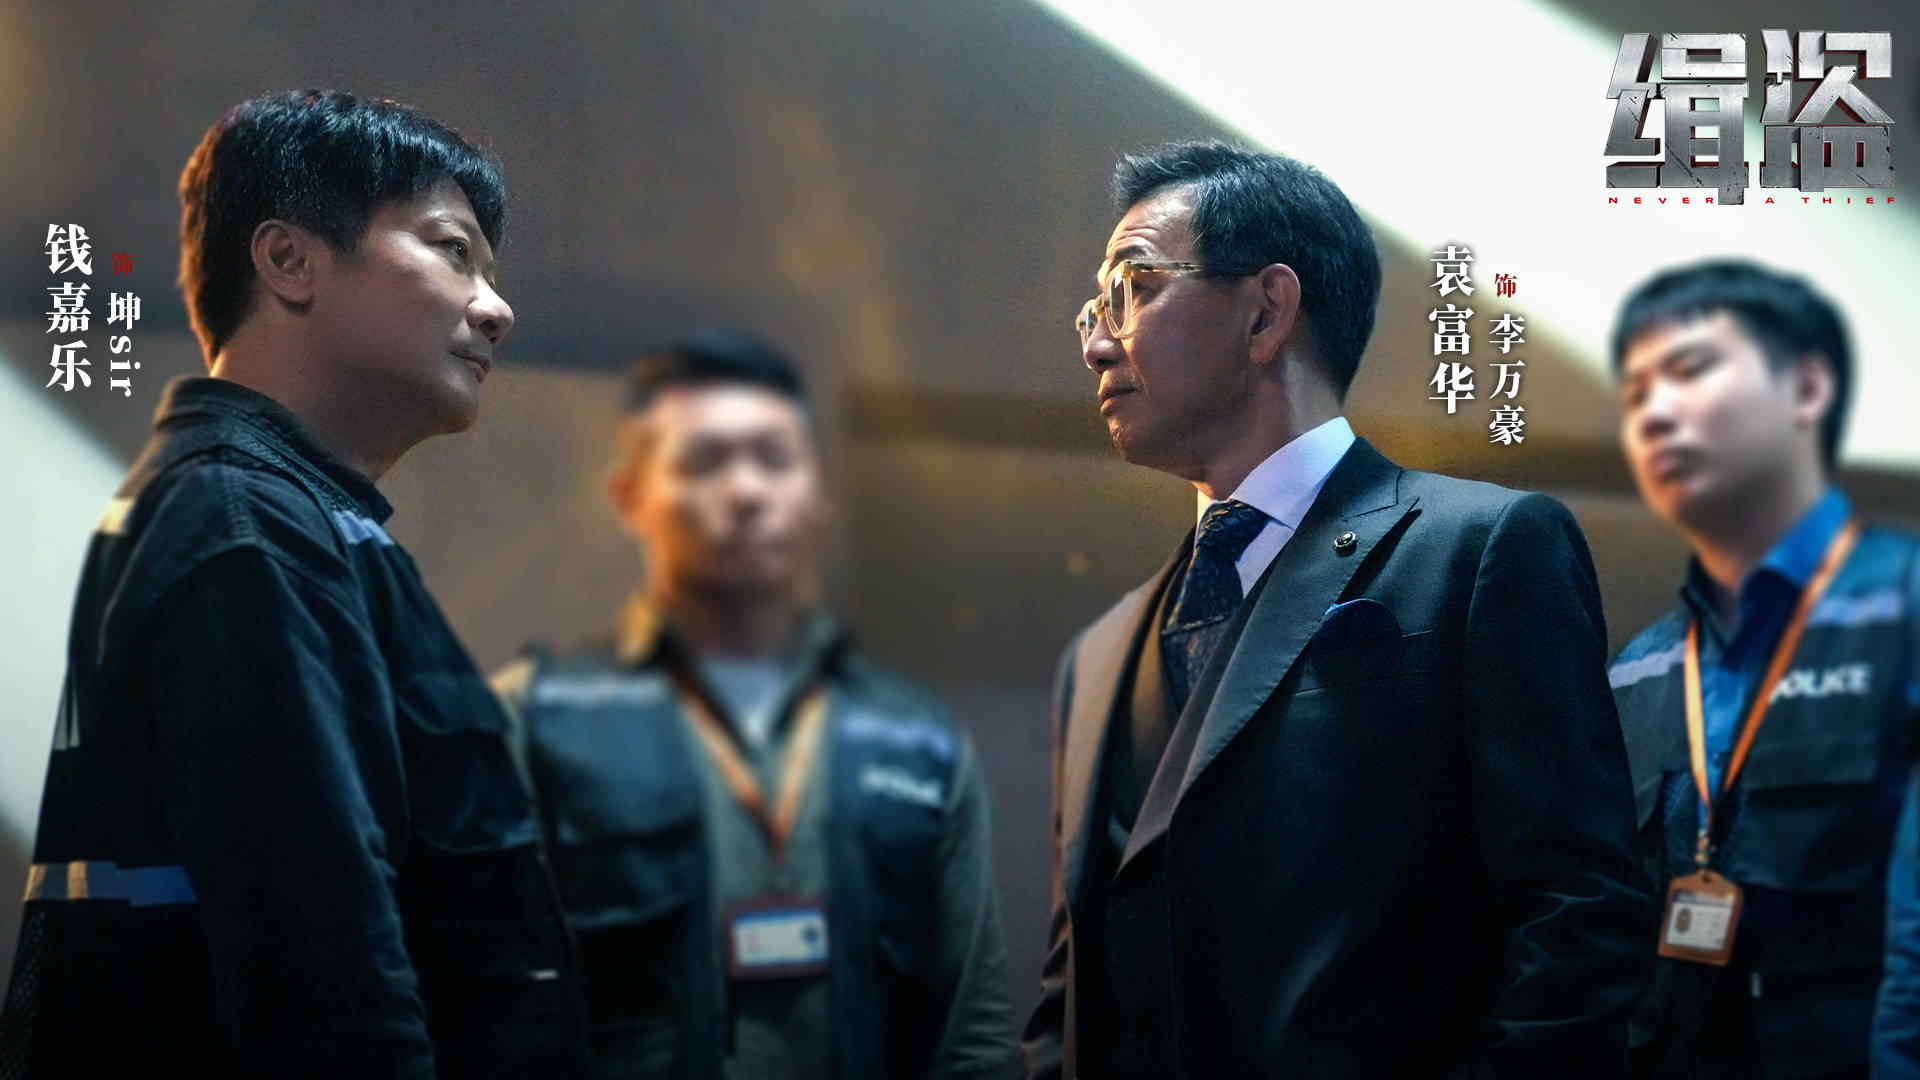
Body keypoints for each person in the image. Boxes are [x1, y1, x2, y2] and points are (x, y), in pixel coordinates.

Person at [1019, 139, 1654, 1079]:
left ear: (1266, 311)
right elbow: (1067, 998)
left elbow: (1576, 918)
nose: (1096, 342)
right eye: (1095, 310)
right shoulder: (1102, 654)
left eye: (1133, 289)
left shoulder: (1480, 549)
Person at [0, 90, 584, 1078]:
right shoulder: (245, 525)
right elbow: (322, 971)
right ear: (288, 260)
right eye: (452, 251)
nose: (496, 307)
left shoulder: (279, 514)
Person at [492, 333, 1018, 1080]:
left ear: (818, 491)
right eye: (703, 461)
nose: (745, 491)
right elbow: (484, 1017)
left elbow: (973, 1038)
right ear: (630, 497)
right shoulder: (536, 719)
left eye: (774, 459)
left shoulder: (916, 740)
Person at [1607, 260, 1918, 1078]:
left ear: (1807, 388)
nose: (1654, 413)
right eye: (1635, 394)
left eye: (1690, 370)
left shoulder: (1904, 608)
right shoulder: (1637, 670)